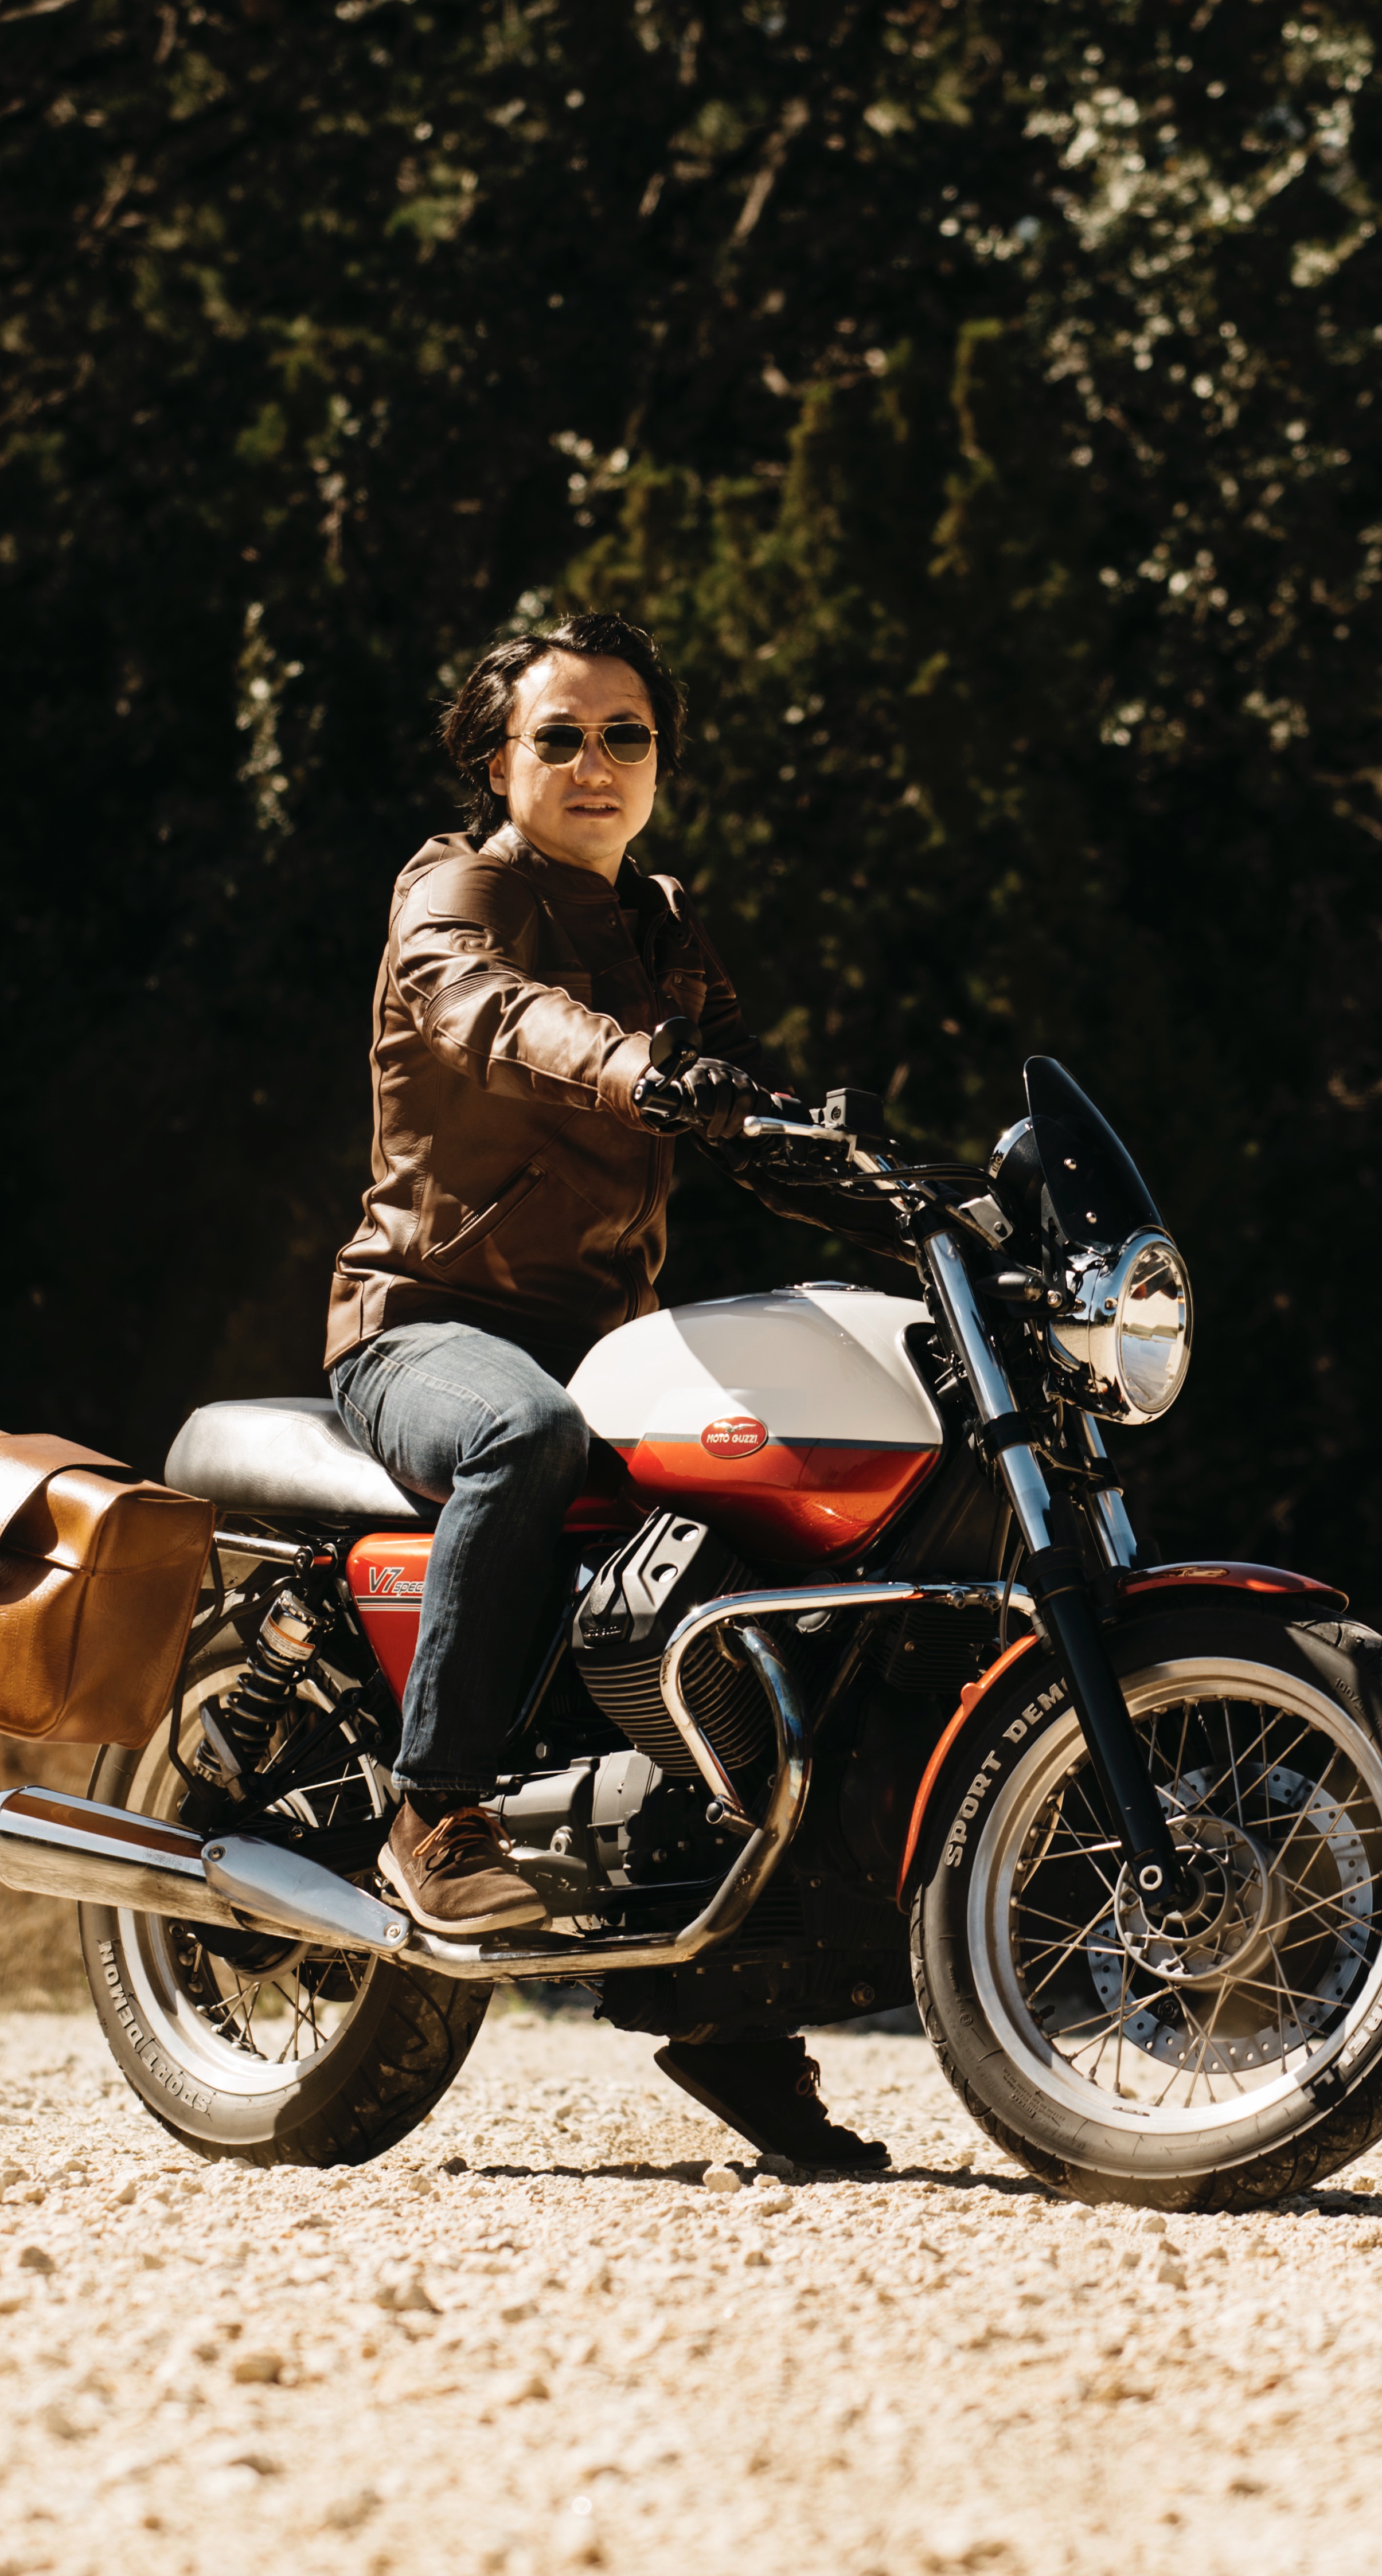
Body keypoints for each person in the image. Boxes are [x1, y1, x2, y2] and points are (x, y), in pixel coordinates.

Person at [323, 611, 888, 2170]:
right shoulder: (456, 891)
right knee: (527, 1434)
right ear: (497, 759)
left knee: (772, 1536)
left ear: (662, 760)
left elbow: (749, 1109)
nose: (595, 763)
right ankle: (435, 1811)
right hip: (422, 1331)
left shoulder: (659, 924)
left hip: (606, 1340)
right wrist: (645, 1070)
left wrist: (915, 1201)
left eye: (625, 735)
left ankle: (727, 2006)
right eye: (560, 736)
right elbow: (491, 1010)